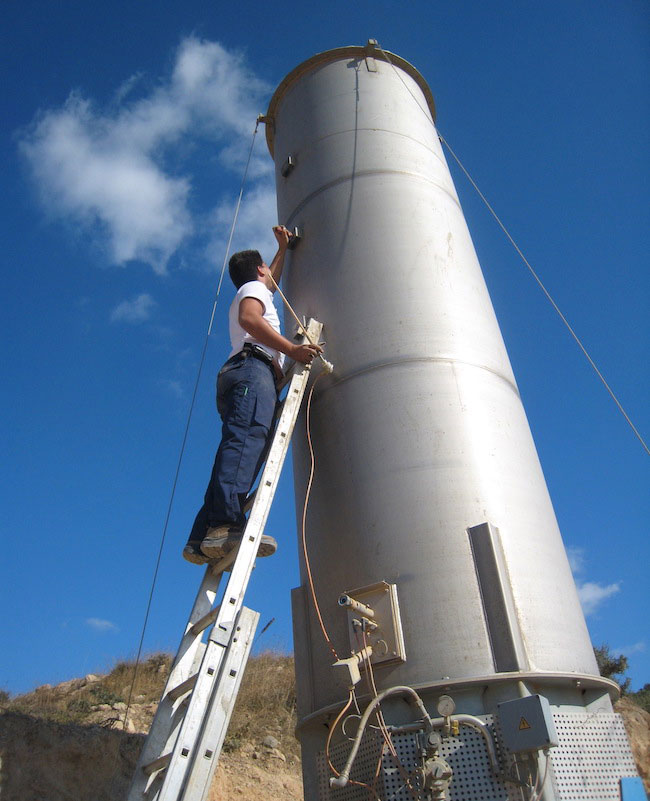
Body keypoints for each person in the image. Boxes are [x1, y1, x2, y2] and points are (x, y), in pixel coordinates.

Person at [183, 225, 322, 565]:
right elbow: (250, 318)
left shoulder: (256, 287)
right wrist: (291, 348)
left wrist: (282, 249)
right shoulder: (251, 292)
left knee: (238, 447)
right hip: (252, 369)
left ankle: (202, 535)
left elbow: (270, 282)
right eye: (265, 269)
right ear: (257, 270)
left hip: (243, 373)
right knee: (245, 443)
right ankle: (225, 526)